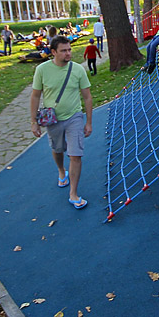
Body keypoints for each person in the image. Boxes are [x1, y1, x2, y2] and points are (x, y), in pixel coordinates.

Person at [30, 36, 94, 209]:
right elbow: (35, 96)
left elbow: (87, 97)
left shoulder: (78, 70)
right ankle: (60, 170)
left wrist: (88, 122)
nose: (68, 53)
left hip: (74, 117)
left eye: (69, 50)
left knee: (76, 155)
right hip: (53, 120)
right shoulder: (42, 70)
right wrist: (33, 122)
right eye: (64, 50)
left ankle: (73, 193)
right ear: (53, 52)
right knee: (57, 150)